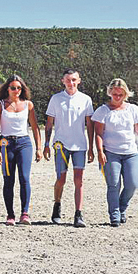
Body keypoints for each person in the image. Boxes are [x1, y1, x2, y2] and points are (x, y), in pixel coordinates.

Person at [92, 78, 138, 227]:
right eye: (114, 94)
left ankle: (122, 207)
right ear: (110, 93)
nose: (117, 97)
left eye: (120, 94)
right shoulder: (103, 111)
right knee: (113, 184)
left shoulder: (133, 109)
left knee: (132, 183)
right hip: (111, 153)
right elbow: (98, 133)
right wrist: (100, 151)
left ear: (125, 94)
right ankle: (114, 215)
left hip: (130, 152)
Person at [44, 68, 94, 228]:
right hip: (61, 146)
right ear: (63, 81)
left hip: (79, 146)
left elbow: (90, 125)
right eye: (68, 80)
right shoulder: (56, 99)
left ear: (79, 81)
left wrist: (91, 148)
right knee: (61, 179)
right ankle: (57, 204)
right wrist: (46, 144)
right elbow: (49, 123)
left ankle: (78, 214)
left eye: (74, 80)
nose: (71, 83)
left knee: (78, 180)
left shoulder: (86, 99)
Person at [0, 75, 42, 226]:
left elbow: (34, 127)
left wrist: (39, 147)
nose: (16, 91)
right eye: (13, 88)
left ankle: (25, 213)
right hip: (6, 143)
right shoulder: (0, 105)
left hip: (24, 143)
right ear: (7, 89)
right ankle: (10, 214)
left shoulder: (28, 105)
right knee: (8, 179)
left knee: (24, 178)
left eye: (19, 88)